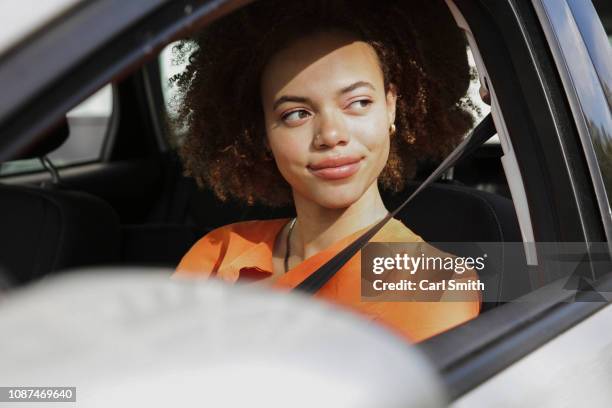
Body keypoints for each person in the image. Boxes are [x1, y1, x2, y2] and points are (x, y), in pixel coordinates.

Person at [172, 0, 481, 343]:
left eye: (359, 103)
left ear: (390, 107)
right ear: (263, 134)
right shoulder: (218, 252)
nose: (331, 136)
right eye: (296, 114)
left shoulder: (432, 284)